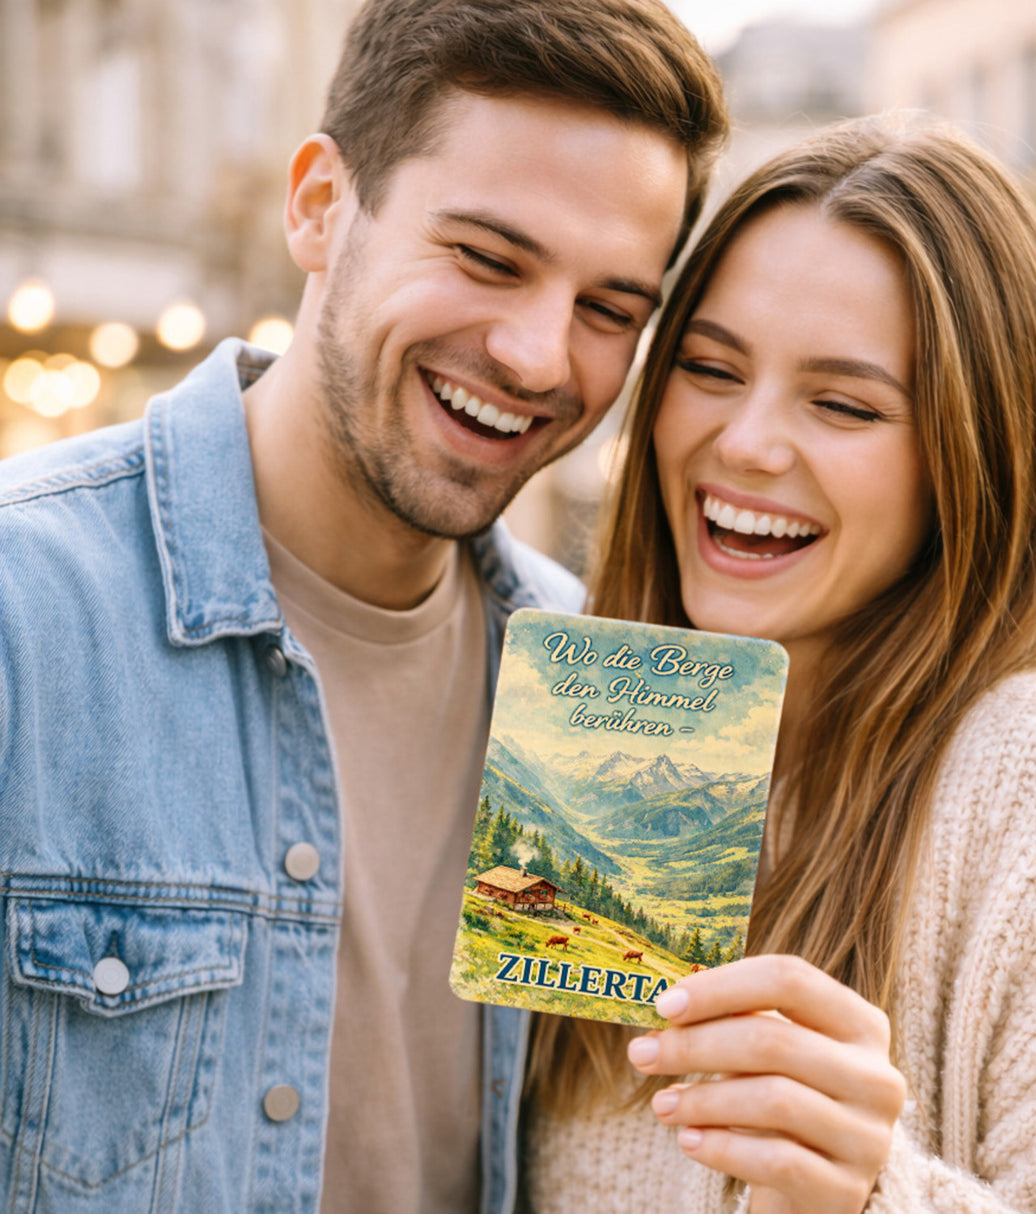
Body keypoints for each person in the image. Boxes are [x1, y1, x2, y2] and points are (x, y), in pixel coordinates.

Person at [0, 3, 727, 1212]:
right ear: (319, 206)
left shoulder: (618, 691)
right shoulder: (25, 607)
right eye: (487, 257)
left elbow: (617, 1175)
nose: (541, 356)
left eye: (609, 308)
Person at [524, 114, 1036, 1213]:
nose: (745, 440)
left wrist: (869, 1194)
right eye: (708, 367)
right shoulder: (618, 722)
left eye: (841, 403)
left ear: (971, 452)